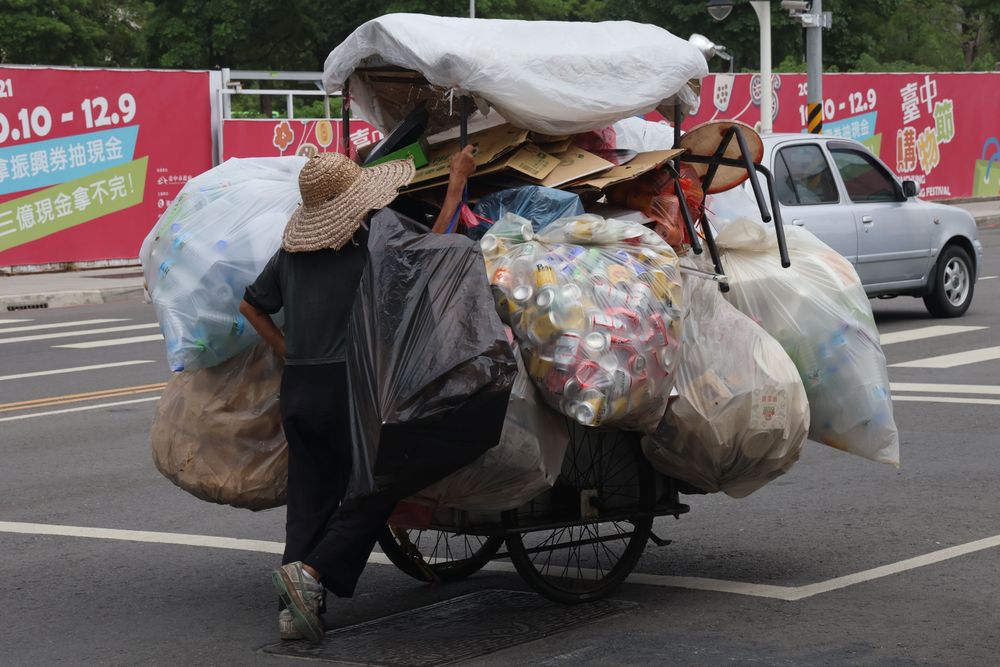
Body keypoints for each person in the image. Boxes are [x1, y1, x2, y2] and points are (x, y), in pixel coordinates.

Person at [239, 145, 476, 643]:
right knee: (379, 485)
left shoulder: (290, 256)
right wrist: (456, 184)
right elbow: (430, 261)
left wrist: (289, 350)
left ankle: (295, 609)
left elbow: (251, 306)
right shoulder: (368, 249)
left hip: (300, 390)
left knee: (310, 498)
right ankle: (313, 573)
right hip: (348, 388)